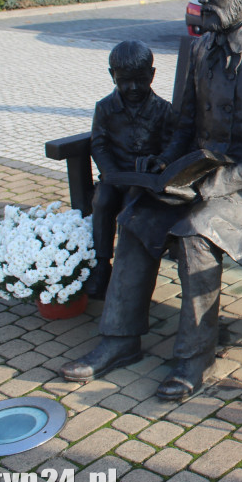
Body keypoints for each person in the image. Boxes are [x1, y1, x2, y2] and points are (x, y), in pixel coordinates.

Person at [61, 0, 242, 401]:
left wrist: (213, 185)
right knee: (136, 217)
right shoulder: (202, 49)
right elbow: (185, 126)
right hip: (198, 173)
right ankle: (118, 341)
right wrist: (165, 167)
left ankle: (193, 358)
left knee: (195, 232)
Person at [86, 41, 172, 300]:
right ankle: (102, 264)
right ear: (112, 76)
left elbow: (170, 145)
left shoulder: (163, 110)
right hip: (114, 177)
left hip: (146, 182)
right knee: (102, 200)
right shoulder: (105, 108)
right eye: (125, 81)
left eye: (140, 80)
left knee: (132, 208)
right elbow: (98, 144)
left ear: (152, 75)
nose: (133, 88)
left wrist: (160, 162)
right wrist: (110, 173)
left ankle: (126, 272)